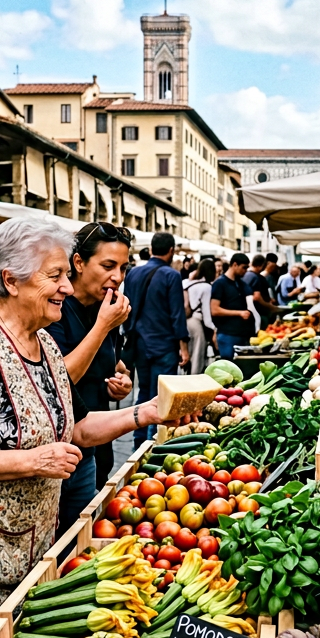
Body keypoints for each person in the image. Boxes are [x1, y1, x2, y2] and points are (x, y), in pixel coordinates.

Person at [0, 218, 191, 638]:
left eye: (66, 274)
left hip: (26, 536)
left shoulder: (41, 342)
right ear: (10, 280)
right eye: (55, 276)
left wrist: (147, 413)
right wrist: (32, 462)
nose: (67, 286)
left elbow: (78, 427)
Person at [46, 222, 134, 532]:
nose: (117, 277)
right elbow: (61, 376)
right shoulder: (54, 308)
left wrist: (120, 382)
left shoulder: (104, 307)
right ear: (79, 263)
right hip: (60, 449)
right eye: (108, 265)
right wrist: (103, 326)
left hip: (97, 443)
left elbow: (110, 362)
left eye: (123, 267)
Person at [121, 232, 188, 442]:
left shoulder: (133, 273)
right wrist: (183, 347)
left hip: (140, 342)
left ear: (151, 249)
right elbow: (177, 313)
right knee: (161, 395)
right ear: (171, 251)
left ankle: (139, 438)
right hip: (163, 343)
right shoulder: (171, 275)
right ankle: (153, 442)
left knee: (144, 391)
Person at [210, 253, 255, 361]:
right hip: (227, 334)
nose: (245, 271)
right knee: (229, 367)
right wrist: (239, 313)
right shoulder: (220, 284)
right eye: (244, 267)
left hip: (242, 334)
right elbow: (214, 310)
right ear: (235, 265)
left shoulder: (240, 283)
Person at [185, 258, 217, 374]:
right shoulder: (206, 287)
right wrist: (214, 329)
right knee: (197, 357)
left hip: (186, 322)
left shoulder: (188, 283)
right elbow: (207, 315)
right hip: (197, 323)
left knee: (189, 355)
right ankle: (194, 384)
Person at [243, 254, 278, 324]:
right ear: (261, 266)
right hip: (259, 313)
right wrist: (269, 306)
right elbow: (257, 297)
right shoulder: (255, 277)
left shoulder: (245, 275)